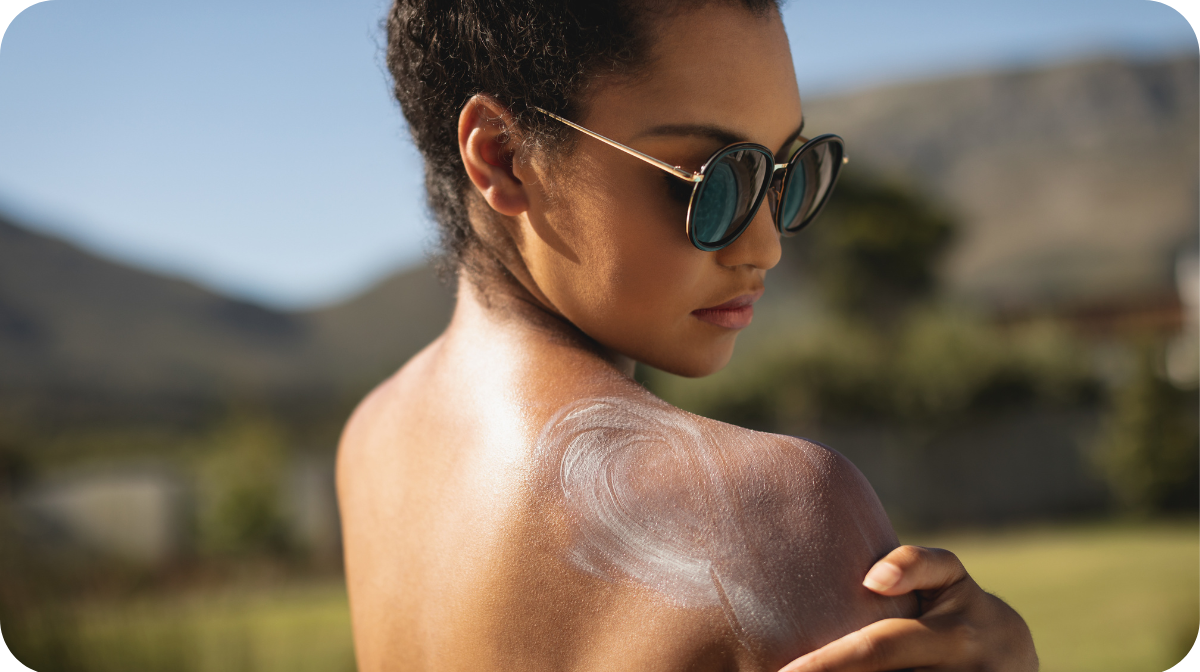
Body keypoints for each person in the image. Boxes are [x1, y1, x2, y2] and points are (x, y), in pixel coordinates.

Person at [337, 1, 1039, 670]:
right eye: (714, 181)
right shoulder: (777, 517)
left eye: (786, 173)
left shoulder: (370, 445)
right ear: (503, 156)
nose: (765, 247)